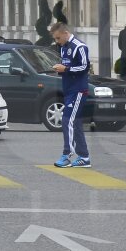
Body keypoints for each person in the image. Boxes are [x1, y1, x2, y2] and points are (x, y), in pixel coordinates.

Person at [50, 23, 92, 168]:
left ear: (65, 33)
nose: (57, 41)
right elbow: (68, 67)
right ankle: (84, 157)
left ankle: (67, 155)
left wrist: (66, 69)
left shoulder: (79, 47)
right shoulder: (64, 47)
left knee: (67, 120)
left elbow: (85, 67)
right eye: (55, 39)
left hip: (78, 91)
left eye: (58, 38)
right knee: (75, 123)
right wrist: (61, 69)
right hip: (69, 90)